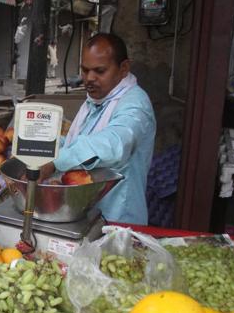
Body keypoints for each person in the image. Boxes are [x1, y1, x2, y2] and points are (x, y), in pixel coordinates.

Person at [45, 33, 156, 225]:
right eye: (85, 70)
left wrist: (55, 162)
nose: (89, 78)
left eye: (99, 71)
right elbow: (77, 139)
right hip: (87, 212)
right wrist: (43, 149)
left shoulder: (136, 104)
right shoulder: (95, 101)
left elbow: (112, 144)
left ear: (123, 68)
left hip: (117, 219)